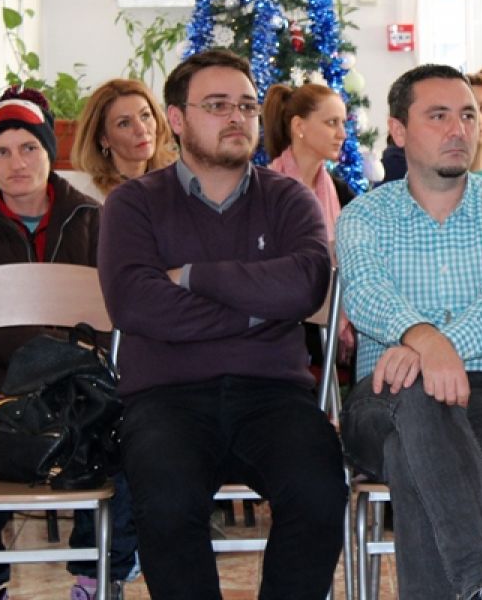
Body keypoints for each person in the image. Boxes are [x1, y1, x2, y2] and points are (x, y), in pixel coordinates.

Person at [98, 48, 344, 599]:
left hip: (273, 395)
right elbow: (136, 305)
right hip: (166, 398)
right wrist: (261, 307)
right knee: (165, 502)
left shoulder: (289, 198)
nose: (237, 117)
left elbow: (305, 287)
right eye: (217, 105)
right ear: (177, 119)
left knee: (319, 492)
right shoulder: (133, 204)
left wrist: (191, 276)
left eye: (247, 106)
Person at [336, 64, 482, 600]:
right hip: (380, 398)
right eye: (438, 116)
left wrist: (428, 348)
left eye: (468, 115)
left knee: (413, 455)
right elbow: (365, 295)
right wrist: (425, 340)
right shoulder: (364, 216)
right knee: (416, 401)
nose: (459, 129)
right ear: (398, 131)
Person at [0, 88, 136, 600]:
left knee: (136, 431)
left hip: (80, 384)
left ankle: (97, 572)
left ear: (50, 152)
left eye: (29, 148)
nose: (16, 162)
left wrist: (68, 366)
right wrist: (59, 354)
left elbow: (115, 311)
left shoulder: (92, 218)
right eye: (1, 151)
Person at [263, 81, 356, 361]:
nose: (342, 134)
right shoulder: (264, 189)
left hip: (326, 325)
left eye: (343, 123)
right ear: (299, 126)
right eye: (331, 123)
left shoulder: (341, 193)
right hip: (277, 324)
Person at [69, 78, 176, 201]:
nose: (141, 130)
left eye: (145, 116)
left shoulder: (177, 179)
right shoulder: (85, 193)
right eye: (124, 123)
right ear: (103, 139)